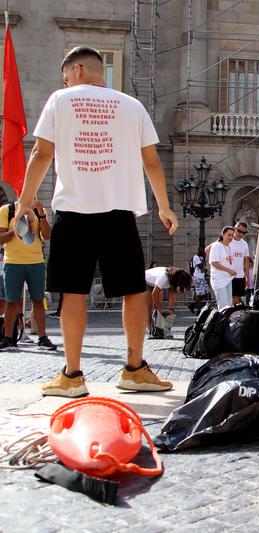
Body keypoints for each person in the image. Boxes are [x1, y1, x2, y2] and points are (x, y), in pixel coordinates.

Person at [17, 47, 178, 397]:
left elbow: (41, 153)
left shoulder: (61, 100)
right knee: (133, 290)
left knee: (73, 291)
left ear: (76, 69)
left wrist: (25, 202)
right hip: (119, 211)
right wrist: (164, 206)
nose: (65, 82)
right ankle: (134, 369)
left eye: (65, 76)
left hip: (74, 212)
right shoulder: (132, 106)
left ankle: (73, 375)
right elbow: (151, 161)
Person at [0, 199, 57, 351]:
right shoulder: (7, 210)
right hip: (12, 262)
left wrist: (42, 216)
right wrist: (17, 230)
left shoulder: (39, 209)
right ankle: (8, 338)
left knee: (38, 300)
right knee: (11, 301)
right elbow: (0, 238)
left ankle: (42, 338)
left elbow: (47, 236)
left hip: (36, 261)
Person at [144, 266, 192, 335]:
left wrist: (171, 311)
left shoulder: (173, 280)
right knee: (150, 308)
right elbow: (154, 293)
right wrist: (158, 310)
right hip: (146, 281)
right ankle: (150, 329)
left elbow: (172, 296)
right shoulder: (164, 277)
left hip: (156, 284)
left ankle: (161, 330)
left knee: (160, 306)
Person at [209, 227, 237, 308]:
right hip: (219, 280)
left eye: (232, 235)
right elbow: (214, 263)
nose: (231, 237)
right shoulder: (216, 246)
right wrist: (229, 271)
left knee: (229, 305)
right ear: (223, 234)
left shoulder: (229, 247)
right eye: (229, 235)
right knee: (223, 306)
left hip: (228, 279)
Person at [230, 220, 251, 305]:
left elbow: (246, 261)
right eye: (239, 231)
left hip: (240, 276)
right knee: (228, 300)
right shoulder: (227, 240)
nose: (241, 234)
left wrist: (247, 278)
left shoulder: (244, 244)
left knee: (237, 300)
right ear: (234, 229)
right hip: (228, 275)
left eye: (244, 232)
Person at [188, 249, 210, 314]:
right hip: (197, 278)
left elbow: (203, 269)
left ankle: (193, 305)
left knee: (206, 293)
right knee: (199, 294)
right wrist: (203, 258)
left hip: (201, 278)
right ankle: (198, 310)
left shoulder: (201, 258)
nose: (204, 253)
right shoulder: (196, 257)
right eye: (203, 252)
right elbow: (200, 267)